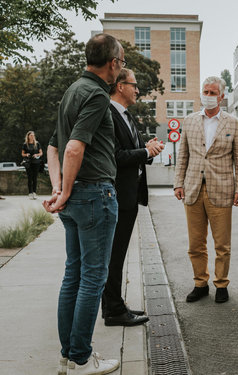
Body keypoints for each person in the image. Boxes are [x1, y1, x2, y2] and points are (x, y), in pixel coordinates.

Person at [43, 33, 125, 375]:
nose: (122, 65)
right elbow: (73, 148)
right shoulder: (95, 94)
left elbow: (53, 147)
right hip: (94, 196)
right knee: (93, 279)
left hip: (76, 198)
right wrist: (63, 191)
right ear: (113, 63)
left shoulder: (72, 91)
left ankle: (68, 357)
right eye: (121, 60)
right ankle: (80, 359)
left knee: (73, 276)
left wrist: (60, 189)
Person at [174, 76, 238, 304]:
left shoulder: (233, 123)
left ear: (222, 96)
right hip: (193, 188)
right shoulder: (189, 121)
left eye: (213, 92)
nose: (208, 95)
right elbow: (183, 154)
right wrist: (178, 182)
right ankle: (200, 283)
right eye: (205, 91)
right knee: (195, 243)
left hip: (222, 189)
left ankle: (221, 283)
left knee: (222, 244)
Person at [101, 68, 164, 326]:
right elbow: (115, 157)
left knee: (118, 255)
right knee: (114, 256)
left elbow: (134, 151)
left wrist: (147, 150)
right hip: (116, 195)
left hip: (130, 195)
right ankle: (114, 311)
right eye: (134, 85)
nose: (138, 90)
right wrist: (145, 151)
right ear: (120, 86)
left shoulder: (127, 116)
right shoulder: (109, 115)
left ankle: (115, 305)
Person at [22, 131, 43, 199]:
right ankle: (30, 193)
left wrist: (37, 154)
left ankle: (34, 192)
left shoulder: (37, 143)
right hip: (28, 162)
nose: (32, 136)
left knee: (35, 178)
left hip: (36, 162)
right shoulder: (25, 144)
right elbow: (22, 154)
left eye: (33, 135)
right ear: (28, 136)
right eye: (31, 135)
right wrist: (26, 154)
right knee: (29, 178)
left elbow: (41, 153)